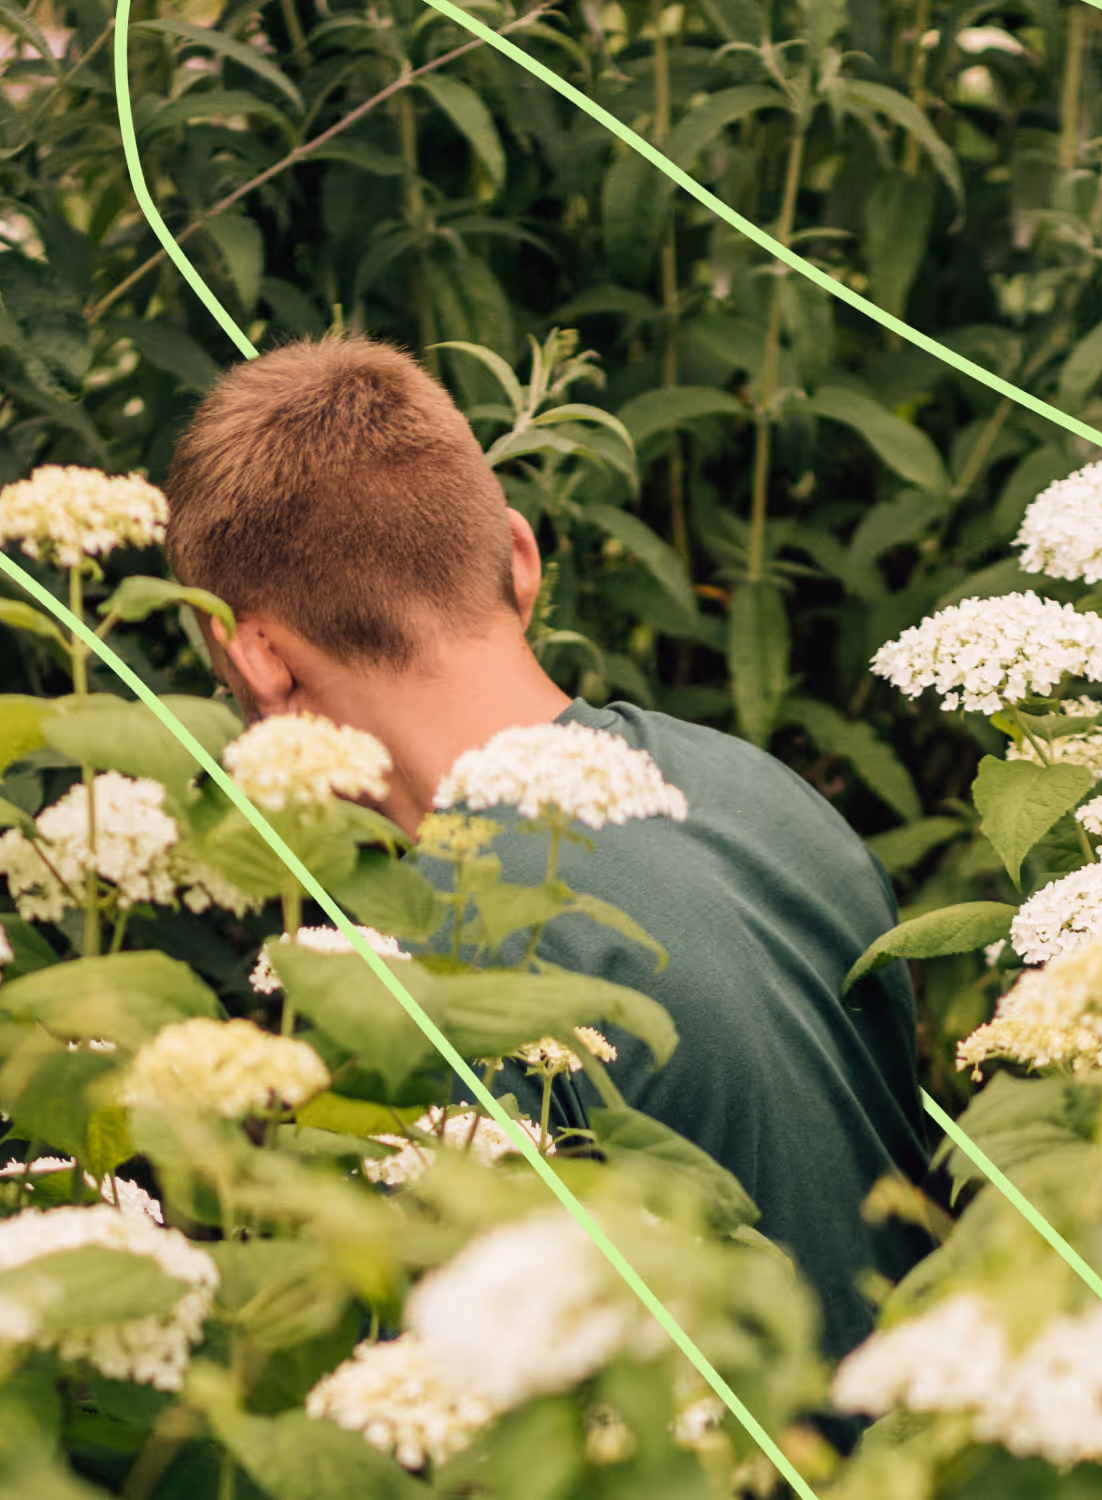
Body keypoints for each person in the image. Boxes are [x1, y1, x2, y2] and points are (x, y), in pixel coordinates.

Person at [160, 332, 934, 1385]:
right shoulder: (762, 792)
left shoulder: (432, 969)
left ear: (257, 662)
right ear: (519, 560)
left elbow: (447, 1414)